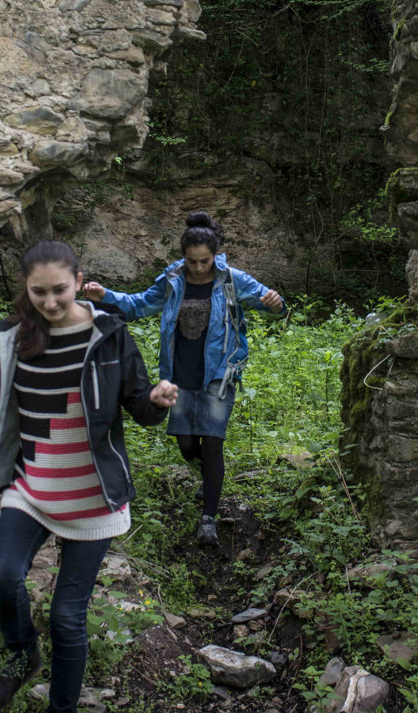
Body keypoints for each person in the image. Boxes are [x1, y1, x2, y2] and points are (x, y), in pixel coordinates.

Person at [0, 239, 178, 713]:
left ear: (80, 280)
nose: (49, 302)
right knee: (2, 576)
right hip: (33, 487)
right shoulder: (18, 338)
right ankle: (22, 654)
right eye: (39, 292)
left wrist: (157, 401)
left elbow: (138, 404)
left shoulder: (110, 334)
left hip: (93, 497)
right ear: (27, 287)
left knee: (67, 617)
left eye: (59, 291)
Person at [82, 211, 284, 547]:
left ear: (215, 255)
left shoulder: (232, 279)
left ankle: (208, 520)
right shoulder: (173, 278)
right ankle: (211, 482)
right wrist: (106, 296)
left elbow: (271, 304)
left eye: (205, 261)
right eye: (193, 261)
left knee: (212, 442)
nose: (199, 268)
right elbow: (140, 305)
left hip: (220, 374)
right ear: (184, 257)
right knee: (187, 445)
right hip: (178, 375)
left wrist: (275, 303)